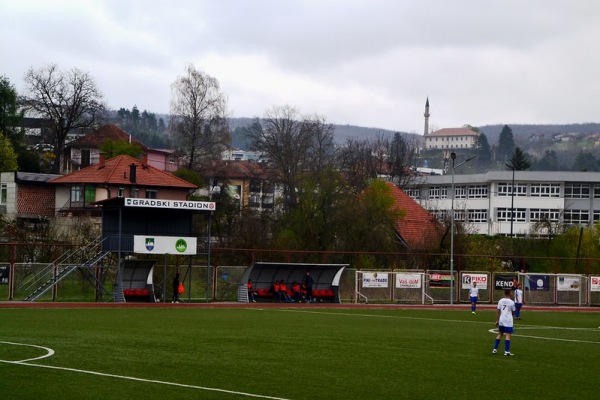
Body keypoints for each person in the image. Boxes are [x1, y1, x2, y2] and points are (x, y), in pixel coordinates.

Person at [493, 288, 516, 356]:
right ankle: (506, 351)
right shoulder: (511, 302)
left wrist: (497, 320)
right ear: (509, 293)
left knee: (500, 334)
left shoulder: (500, 301)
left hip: (501, 320)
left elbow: (498, 311)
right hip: (508, 320)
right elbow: (513, 312)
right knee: (508, 335)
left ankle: (494, 349)